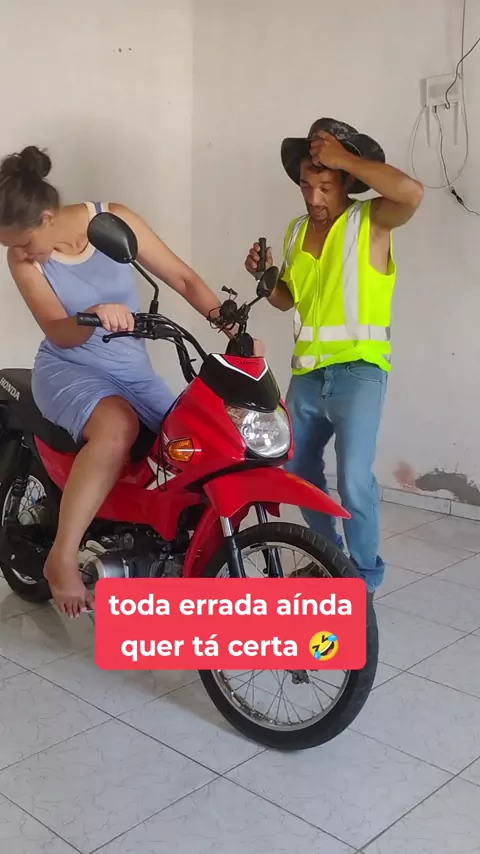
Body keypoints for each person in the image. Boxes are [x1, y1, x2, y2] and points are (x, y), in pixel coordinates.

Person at [0, 145, 245, 618]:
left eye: (24, 241)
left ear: (47, 219)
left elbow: (181, 277)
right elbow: (58, 331)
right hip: (69, 367)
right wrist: (90, 315)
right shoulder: (22, 260)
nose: (20, 252)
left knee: (196, 442)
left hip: (132, 369)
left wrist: (234, 331)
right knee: (118, 428)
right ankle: (61, 558)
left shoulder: (113, 219)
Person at [245, 118, 423, 594]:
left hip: (359, 373)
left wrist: (342, 156)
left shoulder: (372, 220)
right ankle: (327, 556)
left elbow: (411, 193)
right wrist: (264, 279)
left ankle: (363, 577)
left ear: (346, 181)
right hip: (307, 375)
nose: (314, 197)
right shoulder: (296, 231)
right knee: (296, 471)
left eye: (325, 186)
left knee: (354, 481)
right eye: (307, 185)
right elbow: (287, 300)